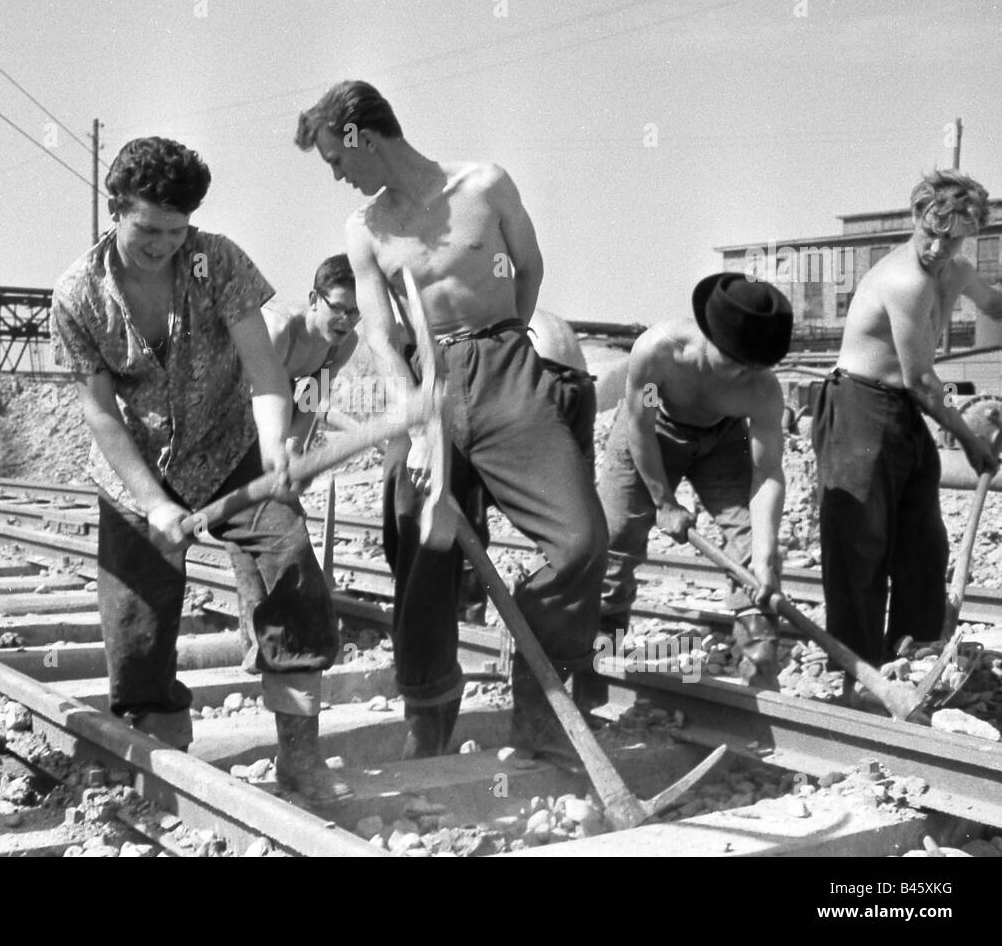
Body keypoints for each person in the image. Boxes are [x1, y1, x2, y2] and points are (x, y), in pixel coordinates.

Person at [296, 80, 607, 762]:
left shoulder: (485, 184)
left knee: (582, 541)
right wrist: (414, 413)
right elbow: (379, 332)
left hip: (504, 370)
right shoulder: (366, 228)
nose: (339, 176)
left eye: (336, 159)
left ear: (361, 137)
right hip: (423, 385)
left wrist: (501, 345)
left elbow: (528, 268)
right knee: (420, 551)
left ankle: (537, 687)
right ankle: (428, 718)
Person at [49, 136, 349, 803]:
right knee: (137, 624)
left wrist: (276, 447)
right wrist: (154, 503)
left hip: (229, 446)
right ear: (114, 208)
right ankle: (156, 760)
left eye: (176, 230)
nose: (163, 245)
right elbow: (99, 414)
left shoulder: (217, 260)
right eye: (146, 229)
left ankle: (300, 756)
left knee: (291, 563)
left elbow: (264, 368)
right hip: (135, 467)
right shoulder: (77, 295)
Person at [815, 170, 1002, 685]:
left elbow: (996, 306)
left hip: (903, 411)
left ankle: (913, 658)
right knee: (861, 545)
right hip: (860, 407)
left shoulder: (956, 269)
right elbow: (921, 380)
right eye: (931, 231)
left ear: (970, 234)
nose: (939, 247)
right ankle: (856, 674)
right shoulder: (905, 279)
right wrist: (970, 440)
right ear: (916, 217)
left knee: (924, 545)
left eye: (954, 236)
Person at [597, 273, 793, 675]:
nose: (744, 375)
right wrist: (664, 503)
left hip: (721, 441)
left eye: (753, 367)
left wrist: (766, 551)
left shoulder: (763, 390)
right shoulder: (658, 353)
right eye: (736, 363)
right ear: (710, 336)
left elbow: (767, 473)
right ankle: (597, 655)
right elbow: (640, 426)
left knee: (751, 543)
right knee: (616, 539)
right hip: (653, 433)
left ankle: (757, 652)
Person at [456, 309, 597, 623]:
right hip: (580, 385)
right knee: (573, 502)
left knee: (467, 495)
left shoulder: (480, 319)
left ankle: (465, 609)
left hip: (532, 386)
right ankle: (553, 607)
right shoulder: (529, 312)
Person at [261, 252, 361, 448]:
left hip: (277, 390)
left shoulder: (344, 344)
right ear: (314, 300)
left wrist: (294, 445)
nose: (346, 320)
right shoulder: (280, 332)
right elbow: (261, 398)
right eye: (337, 308)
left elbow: (310, 398)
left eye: (354, 312)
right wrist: (277, 447)